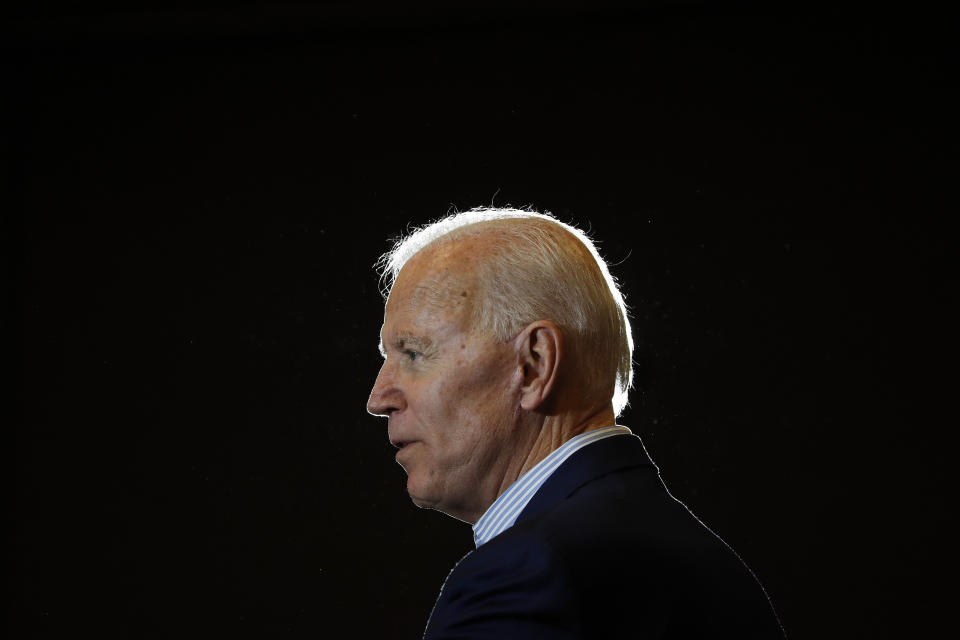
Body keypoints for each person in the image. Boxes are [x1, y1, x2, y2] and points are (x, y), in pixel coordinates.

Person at [366, 207, 785, 639]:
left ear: (534, 365)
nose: (378, 400)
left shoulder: (526, 577)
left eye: (414, 353)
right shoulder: (704, 562)